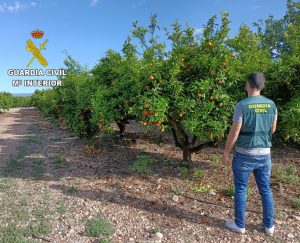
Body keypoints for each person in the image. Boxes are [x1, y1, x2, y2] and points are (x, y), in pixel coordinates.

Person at [222, 72, 277, 235]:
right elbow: (272, 129)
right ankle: (269, 226)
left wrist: (226, 151)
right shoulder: (272, 104)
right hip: (265, 154)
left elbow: (235, 131)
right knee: (265, 189)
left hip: (244, 155)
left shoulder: (242, 105)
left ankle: (240, 225)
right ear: (262, 86)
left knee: (240, 188)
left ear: (247, 85)